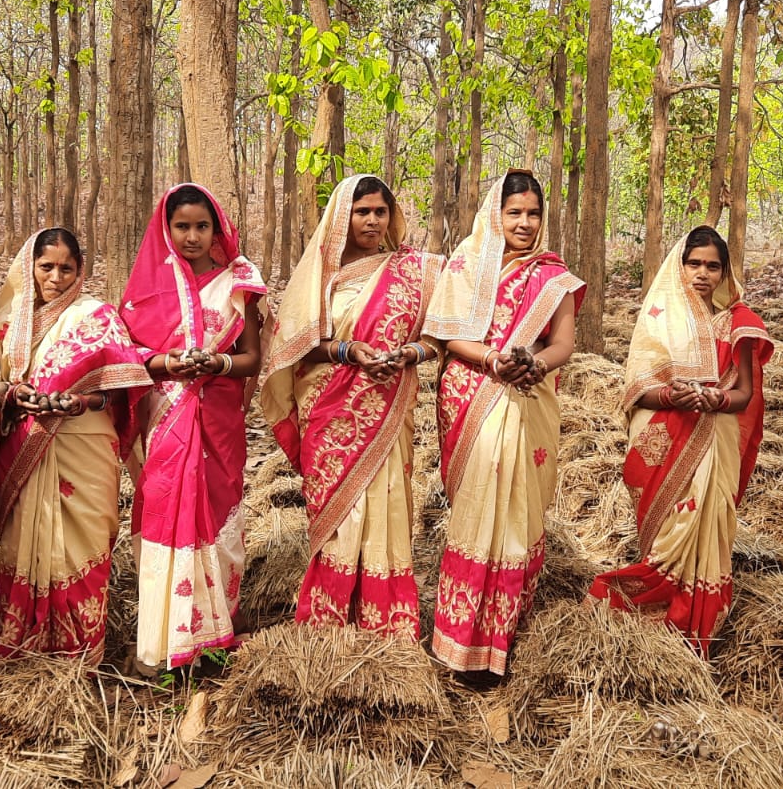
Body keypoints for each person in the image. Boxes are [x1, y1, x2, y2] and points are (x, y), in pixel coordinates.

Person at [259, 174, 444, 639]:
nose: (372, 220)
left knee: (386, 508)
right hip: (330, 408)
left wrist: (410, 355)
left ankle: (386, 624)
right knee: (339, 516)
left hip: (389, 405)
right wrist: (348, 351)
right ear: (343, 216)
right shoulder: (319, 275)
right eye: (362, 211)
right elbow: (295, 346)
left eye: (380, 211)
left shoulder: (415, 272)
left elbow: (437, 335)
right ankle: (329, 622)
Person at [423, 170, 584, 676]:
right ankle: (458, 644)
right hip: (476, 393)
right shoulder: (468, 264)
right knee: (478, 509)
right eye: (514, 212)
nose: (525, 222)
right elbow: (448, 334)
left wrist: (537, 365)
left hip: (529, 395)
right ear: (496, 212)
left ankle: (506, 640)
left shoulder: (551, 272)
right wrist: (494, 361)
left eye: (533, 213)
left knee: (518, 514)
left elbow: (563, 342)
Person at [587, 227, 772, 657]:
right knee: (668, 532)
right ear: (680, 266)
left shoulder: (739, 322)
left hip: (715, 437)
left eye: (713, 266)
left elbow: (744, 393)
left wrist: (715, 398)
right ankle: (650, 622)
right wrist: (673, 395)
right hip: (665, 438)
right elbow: (636, 391)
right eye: (694, 264)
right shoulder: (658, 319)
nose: (702, 274)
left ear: (725, 272)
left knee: (707, 528)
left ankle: (696, 630)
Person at [121, 184, 266, 671]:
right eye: (181, 226)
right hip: (166, 415)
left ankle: (217, 624)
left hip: (218, 419)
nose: (192, 236)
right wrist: (167, 362)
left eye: (202, 226)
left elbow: (251, 359)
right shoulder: (148, 291)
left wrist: (216, 363)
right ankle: (166, 632)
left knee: (221, 509)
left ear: (217, 228)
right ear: (166, 229)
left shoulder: (239, 282)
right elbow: (130, 356)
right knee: (164, 509)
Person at [0, 228, 150, 660]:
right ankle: (21, 647)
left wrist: (79, 400)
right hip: (28, 443)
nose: (56, 277)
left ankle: (80, 651)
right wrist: (13, 395)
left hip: (84, 442)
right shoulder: (10, 322)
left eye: (67, 268)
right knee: (24, 541)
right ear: (31, 267)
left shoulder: (97, 315)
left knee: (86, 538)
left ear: (81, 270)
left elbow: (119, 389)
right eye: (47, 267)